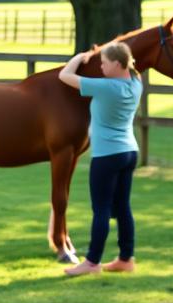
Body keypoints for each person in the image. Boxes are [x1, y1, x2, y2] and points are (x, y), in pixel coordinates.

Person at [58, 42, 142, 277]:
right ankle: (126, 258)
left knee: (102, 209)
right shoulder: (136, 85)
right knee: (123, 207)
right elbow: (134, 69)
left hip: (107, 155)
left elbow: (65, 75)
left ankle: (92, 262)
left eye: (104, 63)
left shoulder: (105, 87)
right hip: (129, 152)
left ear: (117, 63)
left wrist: (80, 57)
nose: (102, 67)